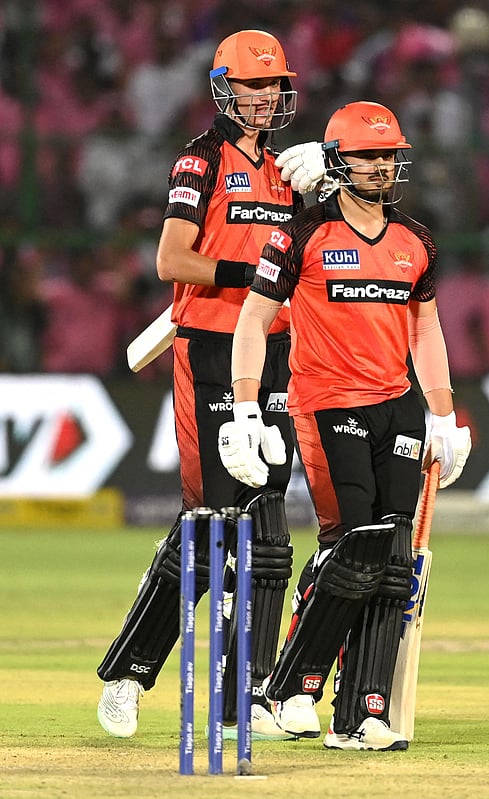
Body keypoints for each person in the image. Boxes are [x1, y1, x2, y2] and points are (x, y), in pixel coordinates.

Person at [219, 100, 471, 751]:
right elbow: (252, 320)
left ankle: (362, 709)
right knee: (352, 544)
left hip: (397, 405)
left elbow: (426, 329)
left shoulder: (417, 240)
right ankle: (292, 686)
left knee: (393, 558)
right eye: (367, 155)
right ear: (337, 162)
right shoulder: (300, 235)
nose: (382, 165)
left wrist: (442, 410)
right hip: (328, 404)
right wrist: (246, 406)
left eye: (389, 155)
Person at [96, 29, 304, 741]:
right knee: (212, 525)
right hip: (210, 348)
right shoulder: (201, 160)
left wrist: (323, 188)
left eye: (274, 84)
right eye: (253, 84)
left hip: (273, 354)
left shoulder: (282, 174)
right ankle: (130, 671)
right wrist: (254, 278)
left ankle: (249, 691)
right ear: (224, 87)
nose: (266, 96)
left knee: (269, 527)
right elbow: (172, 259)